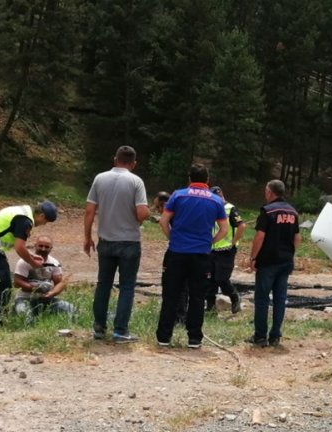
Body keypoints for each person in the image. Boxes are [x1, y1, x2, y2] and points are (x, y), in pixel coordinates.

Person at [156, 164, 227, 349]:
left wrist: (172, 237)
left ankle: (164, 337)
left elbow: (163, 221)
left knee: (171, 295)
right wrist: (210, 242)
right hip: (201, 255)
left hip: (177, 252)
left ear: (189, 179)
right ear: (207, 180)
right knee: (197, 296)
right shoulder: (216, 201)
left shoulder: (178, 195)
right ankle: (194, 338)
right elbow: (224, 229)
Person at [84, 145, 150, 343]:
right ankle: (120, 331)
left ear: (115, 159)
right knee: (127, 287)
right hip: (129, 241)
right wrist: (146, 213)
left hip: (106, 241)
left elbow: (89, 211)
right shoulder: (136, 181)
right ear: (134, 164)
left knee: (103, 284)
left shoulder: (100, 178)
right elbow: (141, 213)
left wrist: (87, 237)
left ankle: (98, 328)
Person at [0, 201, 58, 324]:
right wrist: (33, 263)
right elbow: (19, 247)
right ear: (41, 216)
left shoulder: (23, 211)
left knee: (4, 283)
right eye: (45, 222)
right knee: (2, 285)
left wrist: (31, 255)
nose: (43, 224)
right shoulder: (25, 220)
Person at [248, 179, 300, 347]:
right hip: (285, 261)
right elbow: (297, 237)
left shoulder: (268, 211)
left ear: (270, 192)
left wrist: (253, 257)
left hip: (268, 262)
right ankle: (275, 336)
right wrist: (291, 254)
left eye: (266, 190)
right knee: (280, 299)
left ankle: (260, 336)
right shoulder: (293, 212)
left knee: (262, 299)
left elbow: (260, 236)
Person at [13, 235, 76, 320]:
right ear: (35, 246)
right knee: (25, 316)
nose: (43, 249)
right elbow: (17, 282)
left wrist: (51, 293)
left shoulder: (54, 263)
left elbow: (60, 283)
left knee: (71, 309)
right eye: (40, 246)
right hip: (25, 298)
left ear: (51, 248)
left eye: (46, 247)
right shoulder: (24, 261)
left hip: (46, 299)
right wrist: (35, 288)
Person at [205, 185, 246, 314]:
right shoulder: (210, 208)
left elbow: (241, 226)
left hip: (226, 250)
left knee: (222, 279)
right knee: (209, 279)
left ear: (221, 195)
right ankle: (210, 307)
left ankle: (234, 297)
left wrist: (234, 242)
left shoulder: (230, 208)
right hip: (212, 249)